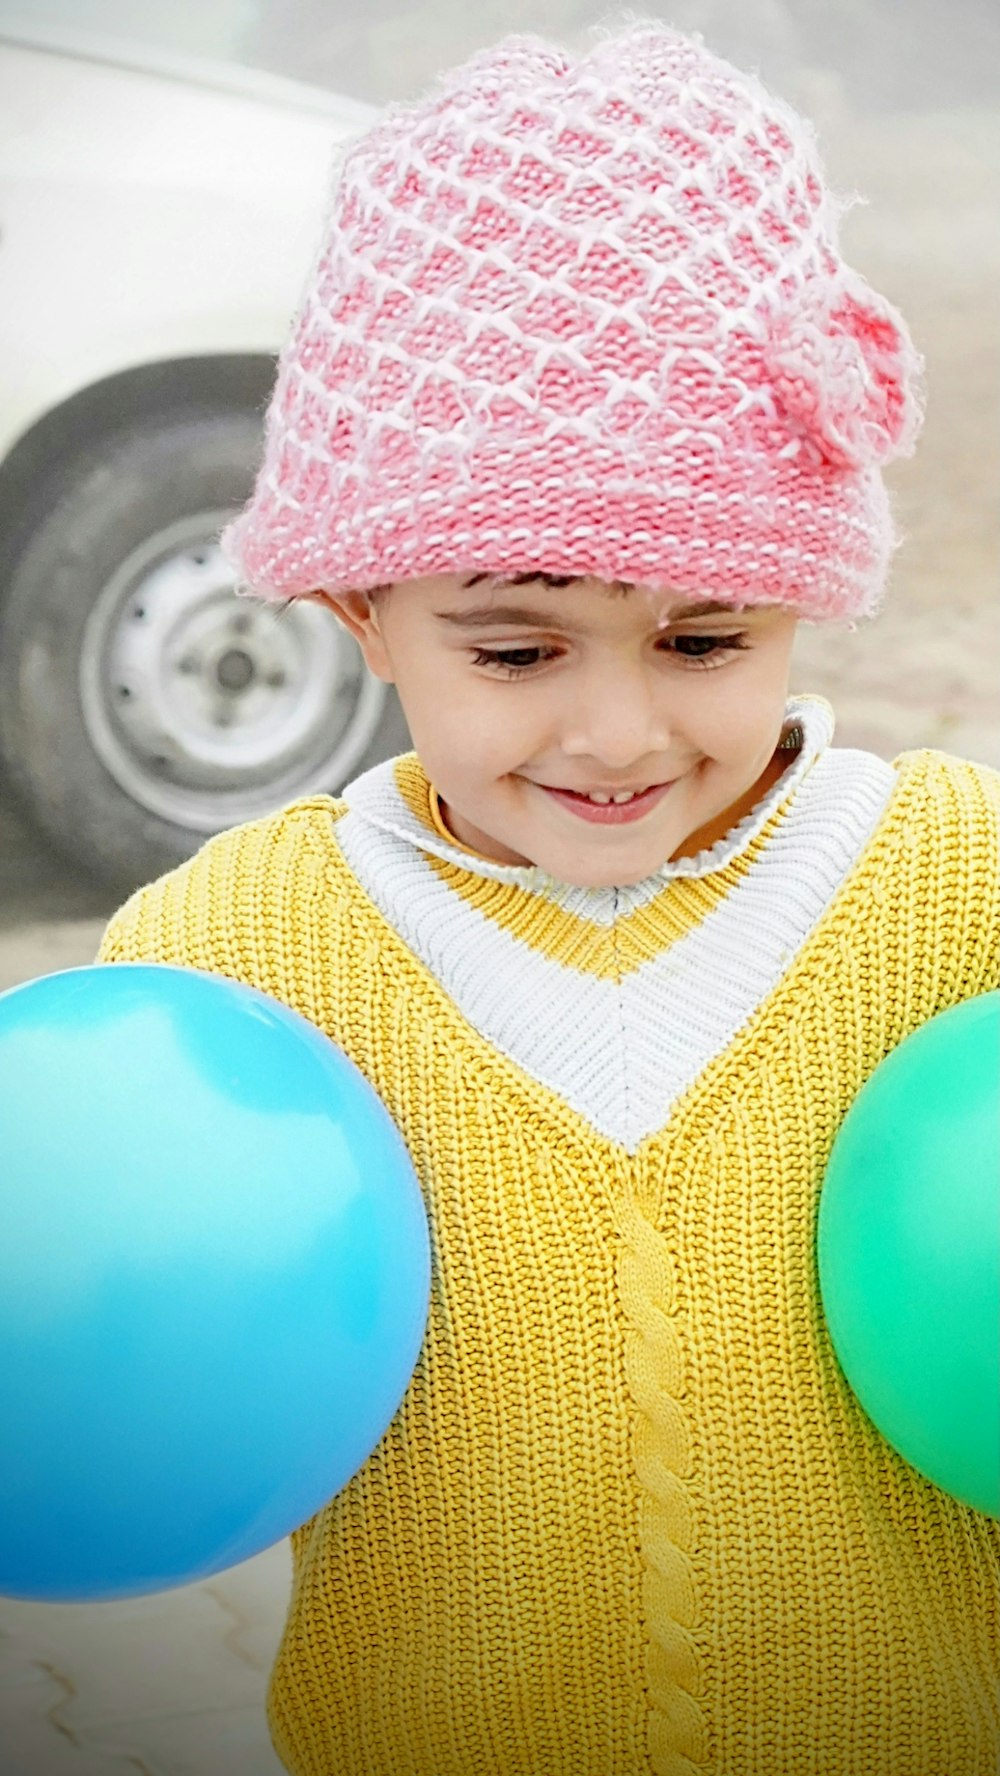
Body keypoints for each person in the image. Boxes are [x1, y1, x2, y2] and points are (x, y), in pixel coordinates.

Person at [98, 18, 1000, 1774]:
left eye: (706, 636)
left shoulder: (962, 891)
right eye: (514, 646)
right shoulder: (223, 969)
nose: (617, 729)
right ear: (361, 607)